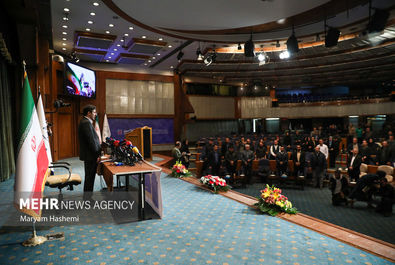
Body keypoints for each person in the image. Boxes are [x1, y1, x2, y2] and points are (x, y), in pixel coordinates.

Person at [78, 105, 102, 196]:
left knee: (89, 177)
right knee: (89, 177)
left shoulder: (86, 122)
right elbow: (91, 141)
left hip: (90, 155)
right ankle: (87, 199)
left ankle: (87, 197)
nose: (95, 114)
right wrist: (97, 155)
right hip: (90, 156)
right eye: (94, 112)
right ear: (89, 113)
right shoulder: (86, 123)